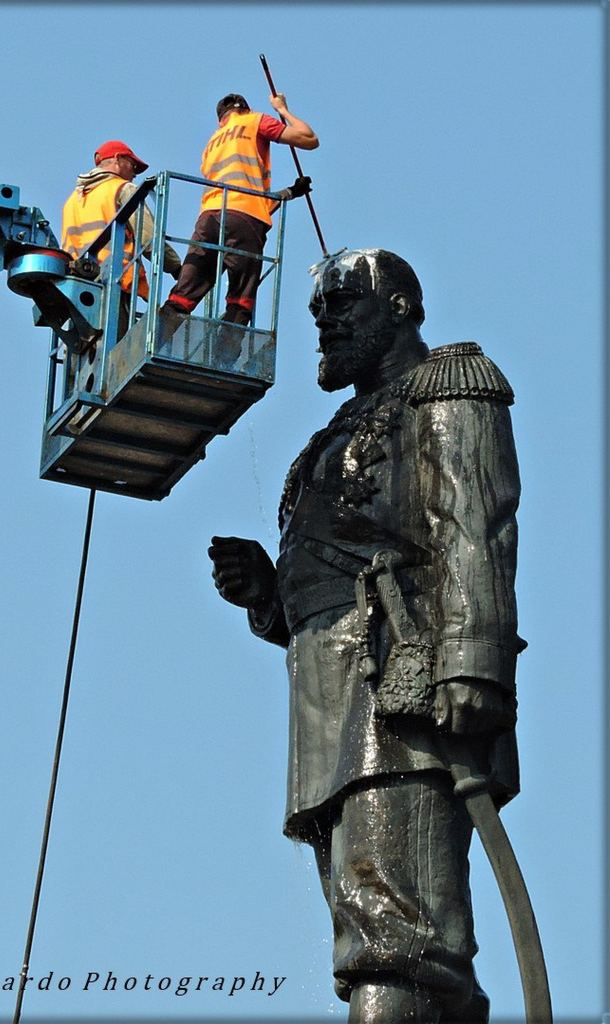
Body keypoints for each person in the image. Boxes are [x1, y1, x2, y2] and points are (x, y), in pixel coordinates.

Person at [208, 249, 524, 1022]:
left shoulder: (446, 391)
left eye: (343, 307)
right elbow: (329, 577)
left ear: (402, 309)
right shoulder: (333, 431)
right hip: (331, 696)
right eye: (320, 312)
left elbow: (474, 530)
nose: (326, 323)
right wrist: (269, 596)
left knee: (399, 931)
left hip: (403, 686)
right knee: (368, 917)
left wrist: (473, 667)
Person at [160, 93, 318, 365]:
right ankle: (224, 360)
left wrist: (291, 192)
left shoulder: (212, 143)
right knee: (240, 296)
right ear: (245, 110)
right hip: (244, 219)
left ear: (221, 120)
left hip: (209, 218)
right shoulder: (254, 121)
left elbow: (243, 195)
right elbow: (309, 139)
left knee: (184, 293)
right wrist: (283, 109)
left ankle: (152, 344)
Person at [61, 139, 181, 338]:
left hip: (78, 293)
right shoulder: (122, 189)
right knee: (115, 351)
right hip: (114, 284)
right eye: (133, 166)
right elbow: (148, 237)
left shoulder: (72, 201)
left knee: (83, 349)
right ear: (117, 159)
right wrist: (176, 267)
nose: (134, 174)